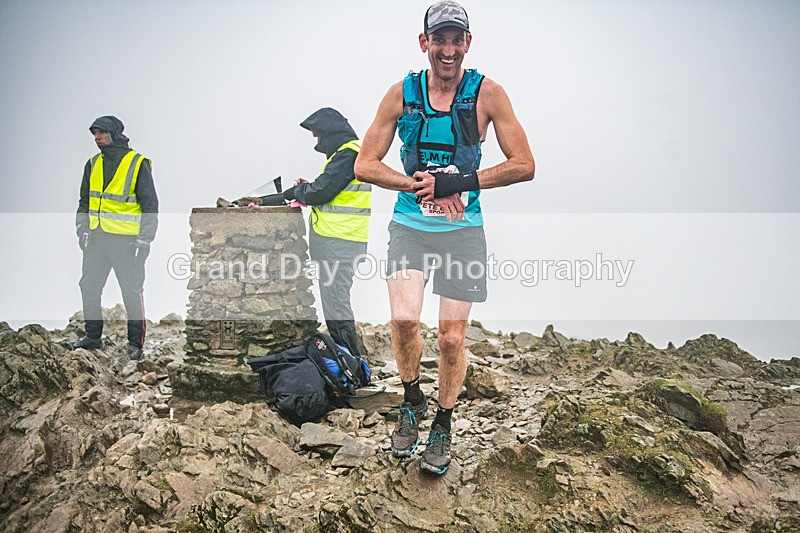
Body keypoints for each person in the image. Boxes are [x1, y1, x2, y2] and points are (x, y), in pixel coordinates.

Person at [354, 1, 535, 475]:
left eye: (457, 40)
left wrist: (457, 184)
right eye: (440, 40)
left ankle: (443, 423)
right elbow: (365, 164)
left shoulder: (488, 94)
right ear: (425, 43)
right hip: (410, 225)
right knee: (402, 321)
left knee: (452, 339)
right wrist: (418, 185)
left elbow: (524, 165)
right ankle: (412, 400)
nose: (448, 49)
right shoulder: (401, 94)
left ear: (468, 44)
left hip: (463, 230)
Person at [241, 108, 370, 356]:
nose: (317, 143)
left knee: (336, 306)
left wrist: (300, 192)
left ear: (330, 133)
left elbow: (320, 192)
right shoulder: (346, 155)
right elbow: (324, 189)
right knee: (335, 304)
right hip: (341, 241)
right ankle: (349, 363)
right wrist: (299, 191)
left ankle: (351, 366)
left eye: (318, 137)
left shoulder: (348, 155)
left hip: (340, 242)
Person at [72, 116, 159, 360]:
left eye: (101, 132)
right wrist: (82, 230)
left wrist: (144, 241)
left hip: (127, 242)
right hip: (96, 240)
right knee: (88, 286)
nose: (97, 137)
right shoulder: (92, 164)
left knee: (131, 291)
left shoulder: (136, 163)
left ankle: (135, 345)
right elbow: (84, 202)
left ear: (115, 133)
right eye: (94, 133)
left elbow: (150, 205)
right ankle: (92, 337)